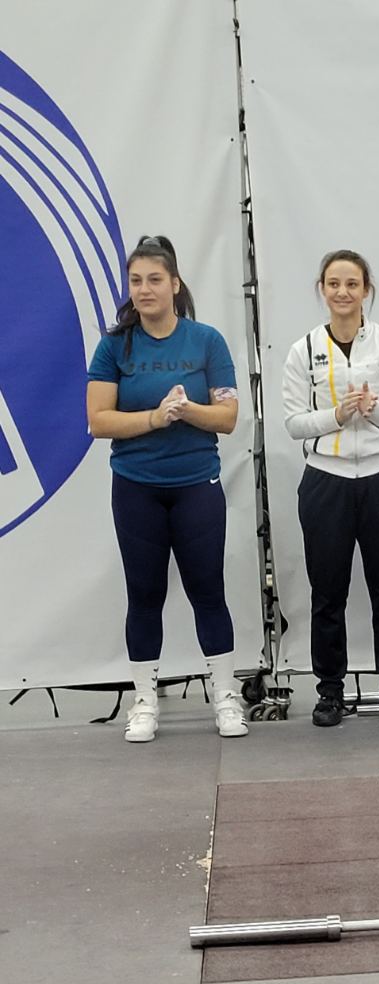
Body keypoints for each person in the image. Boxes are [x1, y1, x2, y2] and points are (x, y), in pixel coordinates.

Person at [86, 235, 245, 743]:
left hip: (196, 484)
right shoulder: (114, 346)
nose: (145, 289)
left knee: (208, 591)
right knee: (144, 595)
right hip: (137, 488)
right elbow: (98, 421)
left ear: (175, 284)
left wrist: (187, 410)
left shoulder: (206, 341)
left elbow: (227, 417)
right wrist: (155, 418)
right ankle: (145, 702)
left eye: (155, 279)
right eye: (136, 281)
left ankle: (226, 697)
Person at [281, 249, 379, 727]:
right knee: (327, 594)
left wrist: (373, 410)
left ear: (366, 290)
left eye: (352, 284)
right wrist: (337, 416)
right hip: (327, 480)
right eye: (334, 284)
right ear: (322, 289)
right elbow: (294, 423)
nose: (343, 293)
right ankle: (330, 692)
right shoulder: (303, 350)